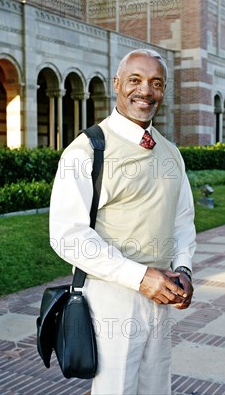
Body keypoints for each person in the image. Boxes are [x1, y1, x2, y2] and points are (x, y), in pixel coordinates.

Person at [49, 49, 196, 395]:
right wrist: (140, 276)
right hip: (110, 299)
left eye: (156, 83)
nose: (145, 91)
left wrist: (184, 269)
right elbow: (66, 235)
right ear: (117, 84)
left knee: (156, 388)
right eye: (135, 80)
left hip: (161, 296)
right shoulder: (86, 150)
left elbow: (182, 219)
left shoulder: (170, 152)